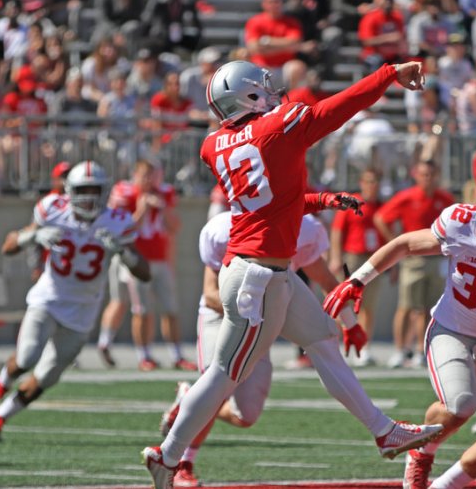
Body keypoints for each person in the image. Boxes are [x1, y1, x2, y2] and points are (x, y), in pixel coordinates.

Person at [142, 59, 443, 489]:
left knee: (322, 337)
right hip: (257, 277)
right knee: (225, 373)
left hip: (264, 272)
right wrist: (388, 74)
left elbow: (275, 196)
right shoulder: (277, 125)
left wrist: (320, 198)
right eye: (261, 87)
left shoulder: (213, 145)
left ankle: (383, 431)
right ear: (245, 96)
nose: (272, 92)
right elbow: (339, 109)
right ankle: (167, 456)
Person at [325, 170, 476, 489]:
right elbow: (406, 244)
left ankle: (444, 486)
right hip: (450, 330)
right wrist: (357, 280)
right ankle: (421, 453)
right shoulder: (465, 220)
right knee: (460, 405)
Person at [160, 211, 347, 485]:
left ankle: (188, 398)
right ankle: (182, 464)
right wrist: (252, 309)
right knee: (215, 391)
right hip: (223, 316)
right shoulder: (224, 229)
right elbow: (210, 293)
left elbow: (327, 281)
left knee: (246, 415)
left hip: (259, 322)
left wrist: (351, 319)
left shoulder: (303, 229)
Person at [0, 161, 150, 442]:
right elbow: (8, 247)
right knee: (28, 355)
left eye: (95, 190)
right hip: (49, 298)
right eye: (83, 190)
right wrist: (32, 235)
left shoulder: (118, 222)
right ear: (69, 190)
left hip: (84, 309)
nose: (90, 197)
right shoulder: (53, 209)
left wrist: (124, 254)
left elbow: (145, 271)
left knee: (46, 377)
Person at [97, 161, 193, 371]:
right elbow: (122, 229)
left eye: (152, 175)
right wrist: (142, 208)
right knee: (141, 309)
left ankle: (177, 355)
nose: (149, 180)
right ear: (135, 175)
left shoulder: (164, 193)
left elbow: (174, 227)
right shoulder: (124, 192)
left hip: (159, 259)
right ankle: (144, 355)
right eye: (144, 176)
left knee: (171, 309)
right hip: (135, 261)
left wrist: (163, 208)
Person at [374, 160, 455, 368]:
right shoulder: (407, 196)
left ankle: (422, 348)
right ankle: (401, 349)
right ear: (416, 175)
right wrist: (398, 243)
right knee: (407, 305)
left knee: (430, 307)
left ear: (436, 175)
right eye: (423, 174)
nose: (427, 179)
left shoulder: (444, 199)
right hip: (414, 259)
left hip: (437, 258)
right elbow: (381, 218)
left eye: (430, 174)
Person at [329, 167, 385, 366]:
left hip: (374, 258)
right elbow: (337, 231)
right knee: (345, 305)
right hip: (353, 257)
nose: (372, 186)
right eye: (368, 181)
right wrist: (335, 257)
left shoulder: (382, 206)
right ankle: (341, 343)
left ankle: (363, 347)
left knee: (368, 306)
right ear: (361, 183)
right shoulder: (352, 203)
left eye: (375, 182)